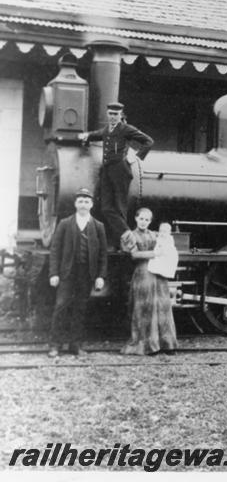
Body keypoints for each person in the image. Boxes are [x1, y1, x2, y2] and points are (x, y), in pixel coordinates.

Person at [78, 102, 154, 249]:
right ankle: (125, 234)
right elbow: (97, 134)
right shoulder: (107, 129)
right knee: (106, 207)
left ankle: (122, 241)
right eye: (110, 114)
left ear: (121, 115)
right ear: (107, 114)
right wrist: (86, 136)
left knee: (119, 207)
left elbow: (148, 141)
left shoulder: (126, 129)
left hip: (120, 170)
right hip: (107, 170)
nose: (113, 117)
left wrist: (136, 157)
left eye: (116, 114)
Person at [47, 188, 107, 358]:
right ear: (75, 204)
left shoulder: (98, 226)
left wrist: (101, 276)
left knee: (80, 309)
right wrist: (54, 273)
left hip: (86, 274)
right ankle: (55, 345)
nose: (83, 204)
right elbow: (55, 250)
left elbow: (103, 254)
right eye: (80, 201)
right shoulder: (65, 223)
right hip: (67, 273)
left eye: (86, 201)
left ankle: (75, 345)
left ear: (92, 204)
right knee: (61, 306)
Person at [120, 208, 178, 356]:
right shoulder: (130, 235)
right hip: (143, 273)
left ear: (150, 221)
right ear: (136, 218)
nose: (143, 222)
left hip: (158, 273)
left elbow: (167, 245)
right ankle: (147, 345)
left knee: (162, 306)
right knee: (145, 307)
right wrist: (154, 253)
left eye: (147, 220)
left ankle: (166, 343)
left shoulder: (155, 234)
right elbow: (133, 255)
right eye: (141, 219)